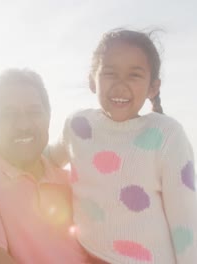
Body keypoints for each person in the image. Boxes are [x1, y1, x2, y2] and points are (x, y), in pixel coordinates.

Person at [47, 29, 197, 263]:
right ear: (92, 81)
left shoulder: (168, 135)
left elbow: (186, 221)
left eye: (134, 75)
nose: (120, 85)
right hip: (90, 256)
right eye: (110, 73)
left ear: (153, 88)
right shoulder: (77, 126)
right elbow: (45, 160)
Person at [0, 69, 87, 263]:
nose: (23, 125)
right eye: (9, 115)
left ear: (48, 119)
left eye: (34, 112)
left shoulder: (73, 182)